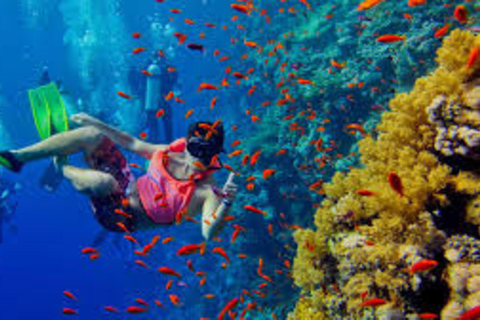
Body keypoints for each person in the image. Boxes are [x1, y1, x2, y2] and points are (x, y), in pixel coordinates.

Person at [0, 114, 238, 240]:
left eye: (208, 155)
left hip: (122, 217)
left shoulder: (208, 191)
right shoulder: (170, 152)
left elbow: (209, 233)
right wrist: (97, 123)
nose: (200, 160)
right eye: (197, 150)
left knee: (103, 182)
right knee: (93, 134)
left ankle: (61, 166)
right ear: (187, 145)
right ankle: (17, 158)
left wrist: (226, 203)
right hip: (126, 183)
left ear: (216, 156)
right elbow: (132, 142)